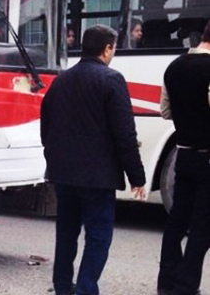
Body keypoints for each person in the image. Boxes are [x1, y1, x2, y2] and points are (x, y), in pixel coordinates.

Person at [40, 24, 146, 295]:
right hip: (97, 178)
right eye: (113, 48)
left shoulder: (61, 80)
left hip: (63, 174)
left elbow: (46, 125)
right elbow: (125, 133)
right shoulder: (111, 80)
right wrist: (137, 177)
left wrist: (54, 157)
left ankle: (63, 286)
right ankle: (86, 290)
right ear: (106, 48)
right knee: (98, 237)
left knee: (66, 232)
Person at [157, 21, 210, 295]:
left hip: (184, 155)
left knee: (177, 220)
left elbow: (165, 111)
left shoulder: (174, 67)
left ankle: (166, 281)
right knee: (203, 226)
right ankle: (186, 286)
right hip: (207, 157)